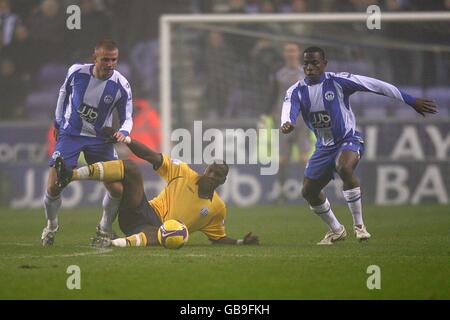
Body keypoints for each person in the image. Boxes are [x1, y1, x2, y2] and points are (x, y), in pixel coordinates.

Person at [280, 46, 437, 245]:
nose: (309, 67)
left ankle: (359, 226)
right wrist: (287, 122)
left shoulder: (338, 81)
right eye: (306, 64)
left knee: (344, 167)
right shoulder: (296, 90)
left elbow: (376, 85)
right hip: (323, 147)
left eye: (314, 63)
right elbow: (289, 108)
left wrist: (410, 100)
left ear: (324, 64)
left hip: (348, 138)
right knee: (308, 192)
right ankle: (336, 230)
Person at [54, 133, 260, 247]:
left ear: (222, 181)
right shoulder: (183, 172)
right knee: (132, 168)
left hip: (157, 231)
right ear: (206, 168)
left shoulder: (217, 208)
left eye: (217, 174)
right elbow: (152, 156)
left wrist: (241, 242)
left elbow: (218, 238)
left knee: (163, 235)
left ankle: (112, 242)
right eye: (211, 169)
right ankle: (71, 175)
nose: (211, 175)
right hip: (142, 212)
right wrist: (126, 140)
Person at [41, 40, 133, 246]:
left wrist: (124, 132)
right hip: (71, 134)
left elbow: (127, 116)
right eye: (105, 59)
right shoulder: (77, 72)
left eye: (114, 59)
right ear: (95, 58)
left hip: (100, 141)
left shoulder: (121, 85)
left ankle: (105, 227)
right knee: (54, 186)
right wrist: (57, 122)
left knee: (117, 189)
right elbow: (63, 94)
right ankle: (51, 225)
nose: (110, 64)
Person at [267, 42, 314, 203]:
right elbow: (273, 95)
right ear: (284, 54)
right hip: (284, 120)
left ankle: (310, 192)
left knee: (304, 158)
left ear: (298, 53)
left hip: (302, 120)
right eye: (288, 51)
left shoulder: (306, 73)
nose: (290, 53)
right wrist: (272, 112)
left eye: (293, 50)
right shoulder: (278, 74)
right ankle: (282, 194)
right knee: (283, 160)